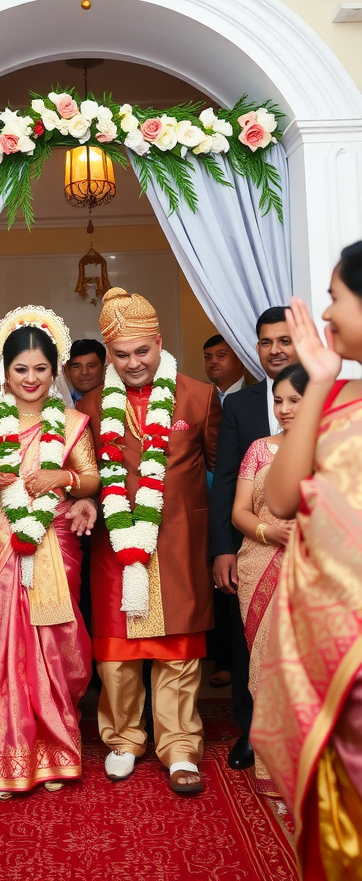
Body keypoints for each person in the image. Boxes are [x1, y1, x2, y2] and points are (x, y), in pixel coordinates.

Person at [0, 306, 100, 799]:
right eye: (20, 369)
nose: (31, 378)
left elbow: (93, 476)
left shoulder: (72, 421)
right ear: (4, 371)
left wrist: (65, 477)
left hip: (54, 542)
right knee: (1, 646)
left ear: (54, 370)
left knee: (57, 642)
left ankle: (56, 750)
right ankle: (7, 755)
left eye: (40, 368)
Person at [79, 287, 221, 795]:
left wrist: (221, 543)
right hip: (117, 547)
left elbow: (220, 477)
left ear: (159, 344)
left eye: (143, 351)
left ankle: (180, 747)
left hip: (179, 544)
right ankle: (123, 740)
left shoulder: (199, 396)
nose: (133, 363)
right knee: (116, 653)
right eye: (121, 354)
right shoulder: (89, 408)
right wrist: (84, 499)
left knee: (178, 649)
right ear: (108, 354)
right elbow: (85, 474)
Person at [253, 243, 362, 879]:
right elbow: (283, 497)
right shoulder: (338, 398)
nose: (324, 313)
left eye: (335, 297)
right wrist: (318, 382)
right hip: (337, 663)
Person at [209, 306, 296, 771]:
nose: (275, 350)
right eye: (266, 342)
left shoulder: (328, 405)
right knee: (249, 644)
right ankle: (252, 731)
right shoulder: (240, 405)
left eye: (284, 340)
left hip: (310, 557)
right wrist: (222, 548)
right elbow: (224, 480)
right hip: (253, 551)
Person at [232, 362, 308, 795]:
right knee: (265, 668)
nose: (283, 409)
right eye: (277, 400)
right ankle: (275, 772)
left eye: (294, 400)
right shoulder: (260, 449)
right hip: (260, 562)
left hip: (314, 568)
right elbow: (240, 511)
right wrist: (268, 531)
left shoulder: (333, 448)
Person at [203, 333, 246, 689]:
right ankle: (222, 659)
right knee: (218, 586)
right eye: (208, 357)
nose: (214, 362)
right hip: (208, 506)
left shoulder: (258, 398)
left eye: (222, 355)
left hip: (247, 508)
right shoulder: (202, 399)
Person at [203, 333, 246, 403]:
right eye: (207, 357)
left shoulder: (255, 395)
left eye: (221, 355)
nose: (213, 361)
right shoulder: (199, 397)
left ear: (240, 359)